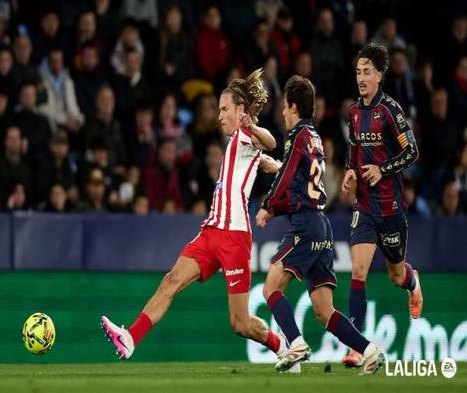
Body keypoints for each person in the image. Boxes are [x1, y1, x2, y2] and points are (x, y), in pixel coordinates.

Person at [100, 69, 287, 361]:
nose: (219, 116)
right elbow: (259, 155)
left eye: (224, 109)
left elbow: (272, 142)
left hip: (235, 237)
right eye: (219, 109)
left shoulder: (246, 133)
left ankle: (283, 347)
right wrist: (265, 161)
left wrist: (254, 130)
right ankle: (130, 337)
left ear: (241, 110)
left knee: (240, 324)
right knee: (171, 279)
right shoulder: (235, 142)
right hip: (211, 231)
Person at [256, 75, 384, 375]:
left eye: (284, 107)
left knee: (271, 288)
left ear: (293, 106)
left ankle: (296, 344)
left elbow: (286, 174)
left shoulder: (297, 135)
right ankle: (369, 351)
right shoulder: (314, 136)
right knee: (324, 311)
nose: (282, 112)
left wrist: (267, 205)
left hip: (305, 226)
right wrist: (279, 209)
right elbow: (302, 188)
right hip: (321, 226)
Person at [340, 43, 422, 368]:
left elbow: (412, 151)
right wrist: (350, 170)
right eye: (358, 72)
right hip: (365, 205)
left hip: (391, 207)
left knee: (395, 275)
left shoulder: (390, 111)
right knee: (358, 270)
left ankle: (412, 281)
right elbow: (353, 147)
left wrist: (382, 169)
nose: (361, 78)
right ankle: (357, 346)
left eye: (367, 72)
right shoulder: (353, 112)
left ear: (379, 76)